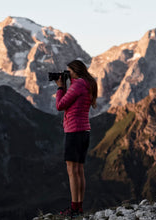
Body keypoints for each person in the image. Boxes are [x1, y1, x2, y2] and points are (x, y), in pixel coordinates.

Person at [55, 60, 97, 218]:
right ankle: (78, 207)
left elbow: (60, 105)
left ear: (75, 71)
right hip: (84, 131)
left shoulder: (78, 85)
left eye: (69, 72)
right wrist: (67, 84)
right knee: (79, 171)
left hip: (74, 131)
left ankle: (74, 209)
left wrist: (60, 87)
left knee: (72, 171)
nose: (67, 74)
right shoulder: (87, 84)